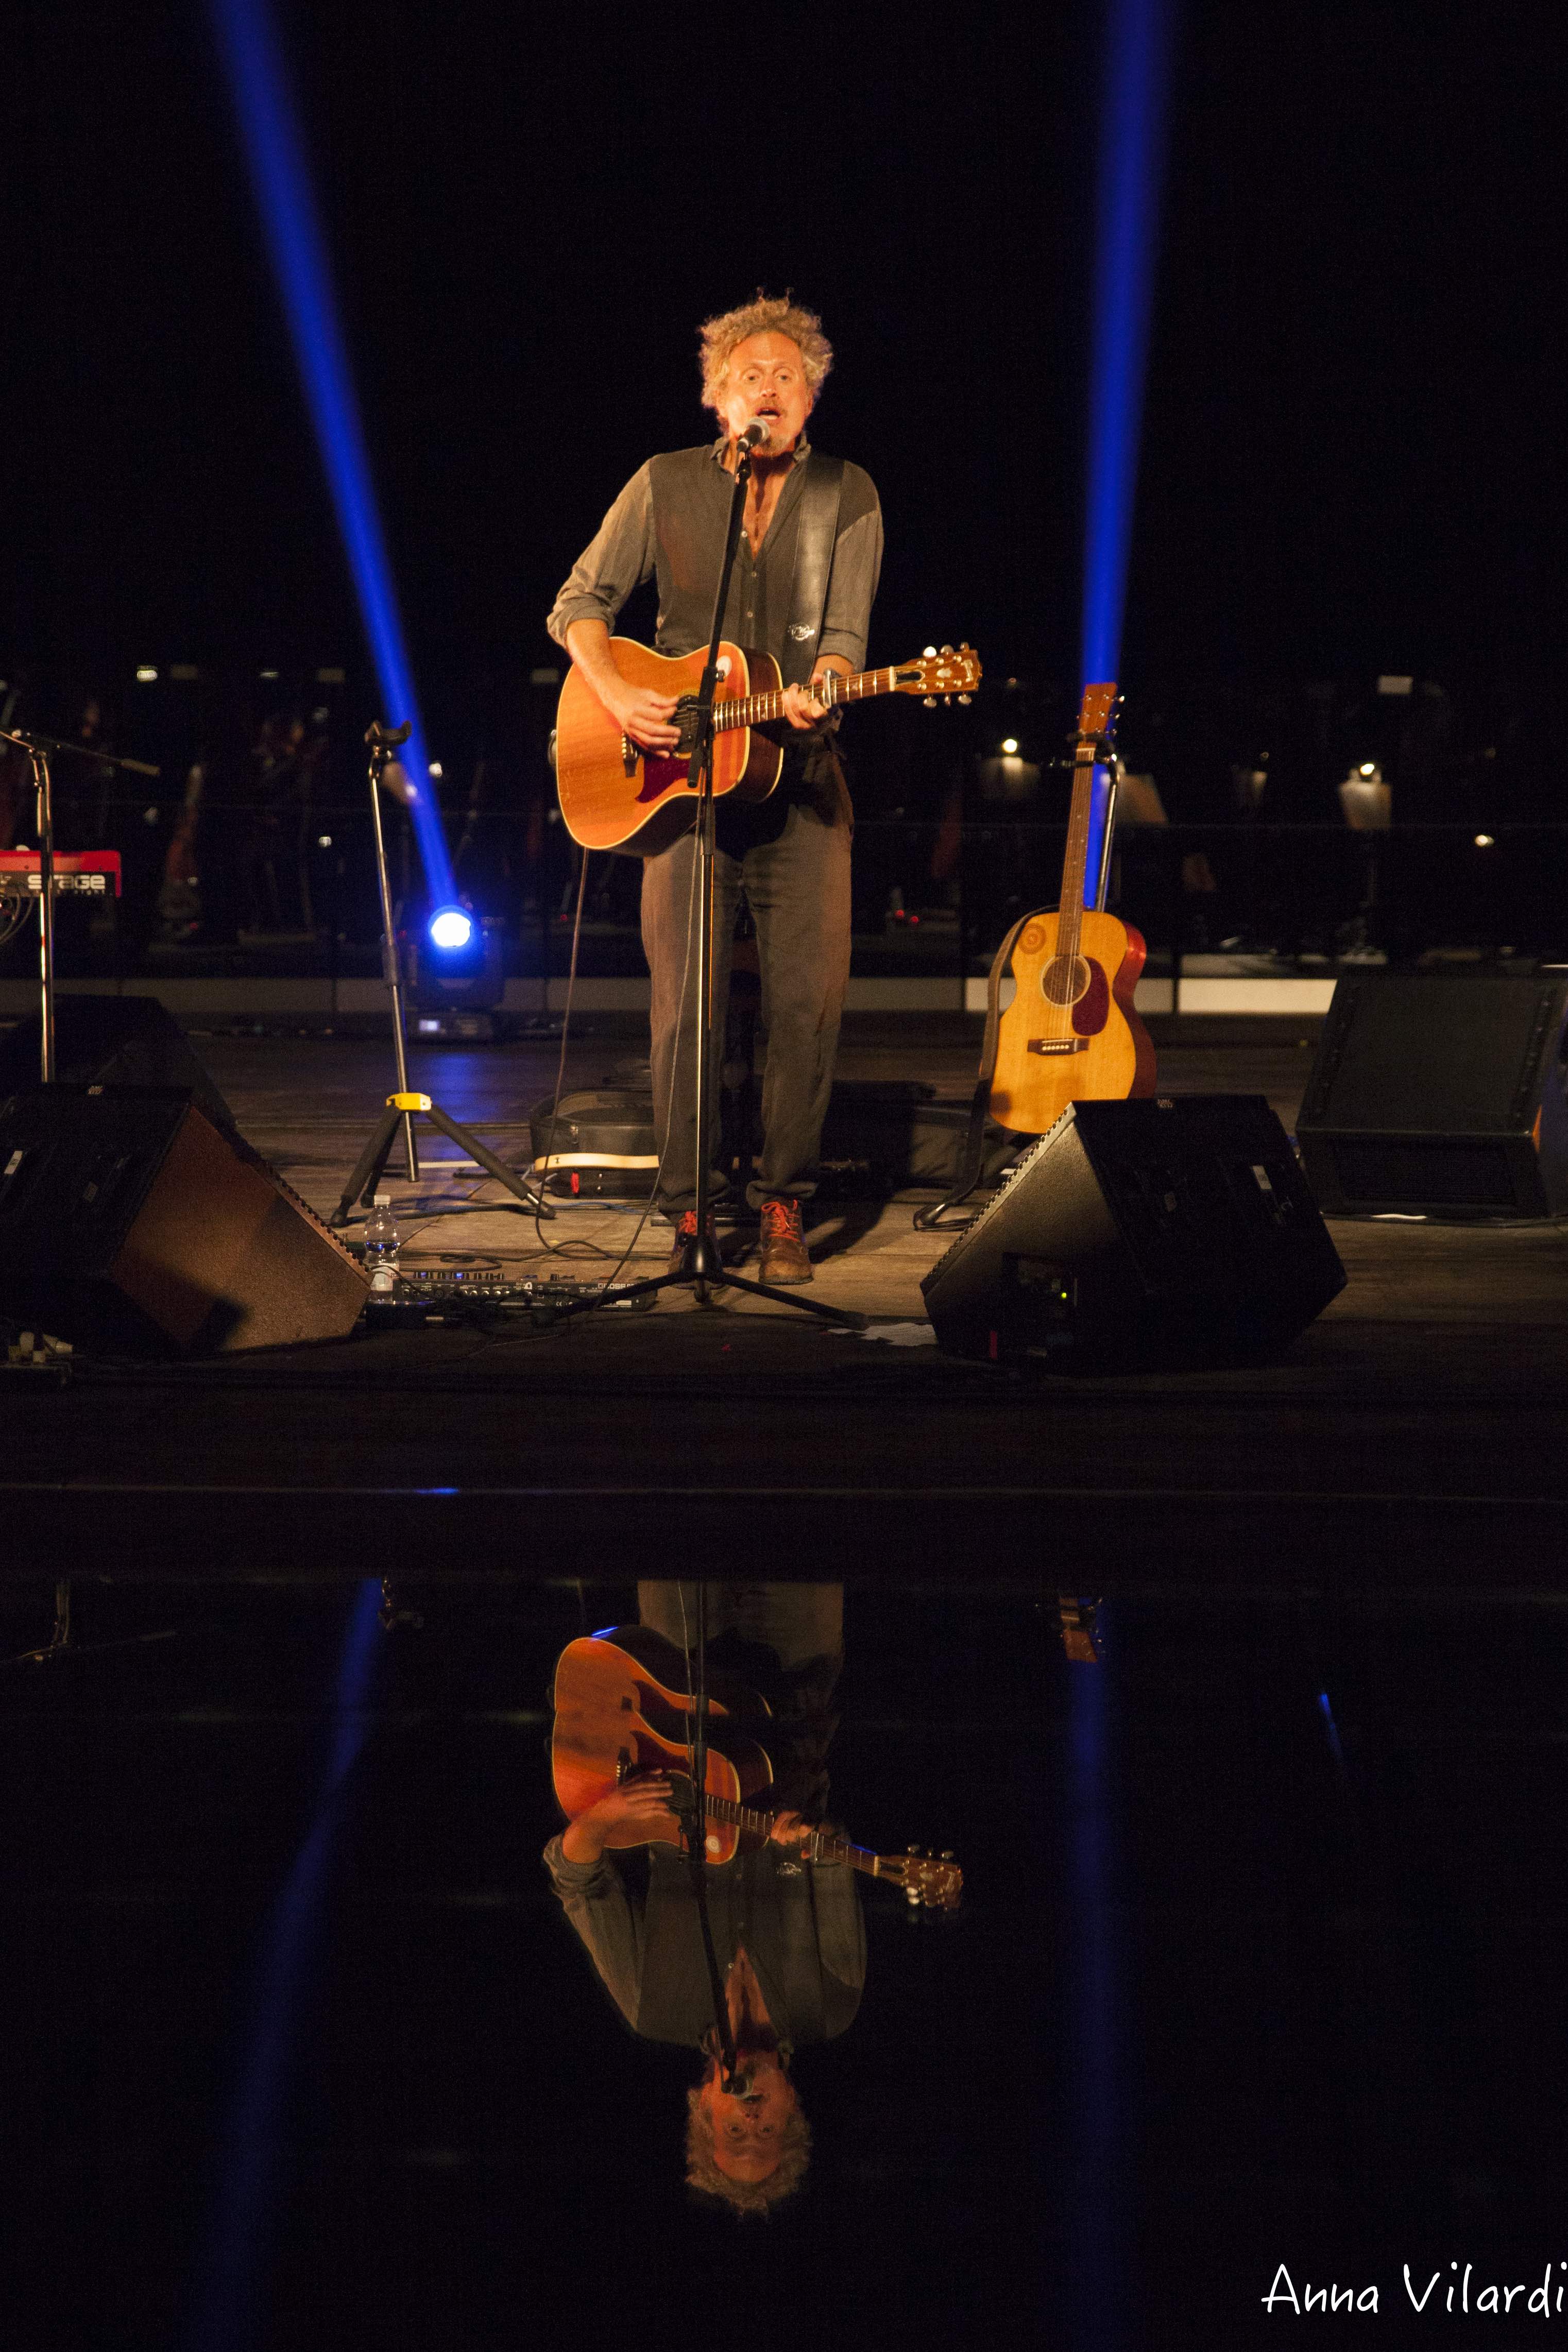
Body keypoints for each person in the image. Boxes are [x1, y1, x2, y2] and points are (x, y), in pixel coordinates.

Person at [547, 294, 883, 1285]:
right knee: (683, 1010)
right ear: (714, 398)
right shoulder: (661, 483)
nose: (766, 389)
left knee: (804, 1006)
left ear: (812, 394)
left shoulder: (846, 493)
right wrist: (616, 693)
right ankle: (691, 1211)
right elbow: (580, 603)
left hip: (800, 783)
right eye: (748, 376)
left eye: (786, 375)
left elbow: (844, 641)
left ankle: (782, 1204)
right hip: (678, 792)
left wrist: (826, 689)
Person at [542, 1583, 860, 2214]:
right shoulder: (829, 2009)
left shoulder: (651, 2006)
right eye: (765, 2130)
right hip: (789, 1706)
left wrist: (603, 1819)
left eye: (733, 2130)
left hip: (674, 1708)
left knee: (678, 1533)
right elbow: (830, 1861)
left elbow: (577, 1882)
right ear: (792, 2108)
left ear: (702, 2108)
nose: (750, 2114)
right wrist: (805, 1841)